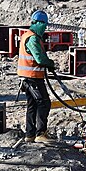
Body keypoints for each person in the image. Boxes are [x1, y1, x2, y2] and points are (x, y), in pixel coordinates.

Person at [17, 10, 56, 143]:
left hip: (29, 78)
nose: (45, 28)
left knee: (32, 105)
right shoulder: (33, 38)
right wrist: (50, 63)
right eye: (44, 25)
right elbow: (39, 58)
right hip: (32, 77)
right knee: (44, 103)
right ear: (38, 23)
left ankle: (30, 134)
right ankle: (40, 133)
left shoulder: (27, 35)